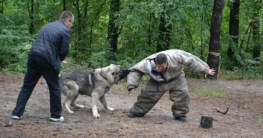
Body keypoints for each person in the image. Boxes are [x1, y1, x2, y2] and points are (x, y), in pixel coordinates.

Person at [11, 11, 74, 122]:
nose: (71, 25)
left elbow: (45, 43)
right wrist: (60, 59)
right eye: (72, 23)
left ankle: (17, 113)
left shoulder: (48, 25)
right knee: (54, 87)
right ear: (68, 20)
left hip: (33, 55)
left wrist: (56, 57)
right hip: (47, 58)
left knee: (27, 86)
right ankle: (55, 115)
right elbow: (64, 50)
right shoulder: (65, 30)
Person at [126, 49, 215, 122]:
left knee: (183, 94)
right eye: (158, 66)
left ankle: (180, 114)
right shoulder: (148, 63)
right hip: (157, 80)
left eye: (162, 66)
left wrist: (205, 69)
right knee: (148, 96)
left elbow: (192, 60)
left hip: (177, 77)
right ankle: (136, 112)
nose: (160, 68)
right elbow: (135, 70)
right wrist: (132, 83)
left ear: (166, 61)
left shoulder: (176, 56)